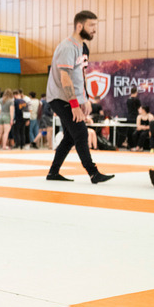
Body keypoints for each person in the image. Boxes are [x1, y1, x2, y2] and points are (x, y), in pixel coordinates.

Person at [45, 10, 114, 183]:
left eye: (95, 26)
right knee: (81, 133)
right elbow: (65, 76)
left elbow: (80, 76)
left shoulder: (83, 48)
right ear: (79, 26)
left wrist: (85, 99)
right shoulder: (67, 47)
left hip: (72, 98)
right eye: (91, 25)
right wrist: (75, 104)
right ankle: (93, 173)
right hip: (60, 98)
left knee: (70, 136)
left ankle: (53, 173)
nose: (94, 30)